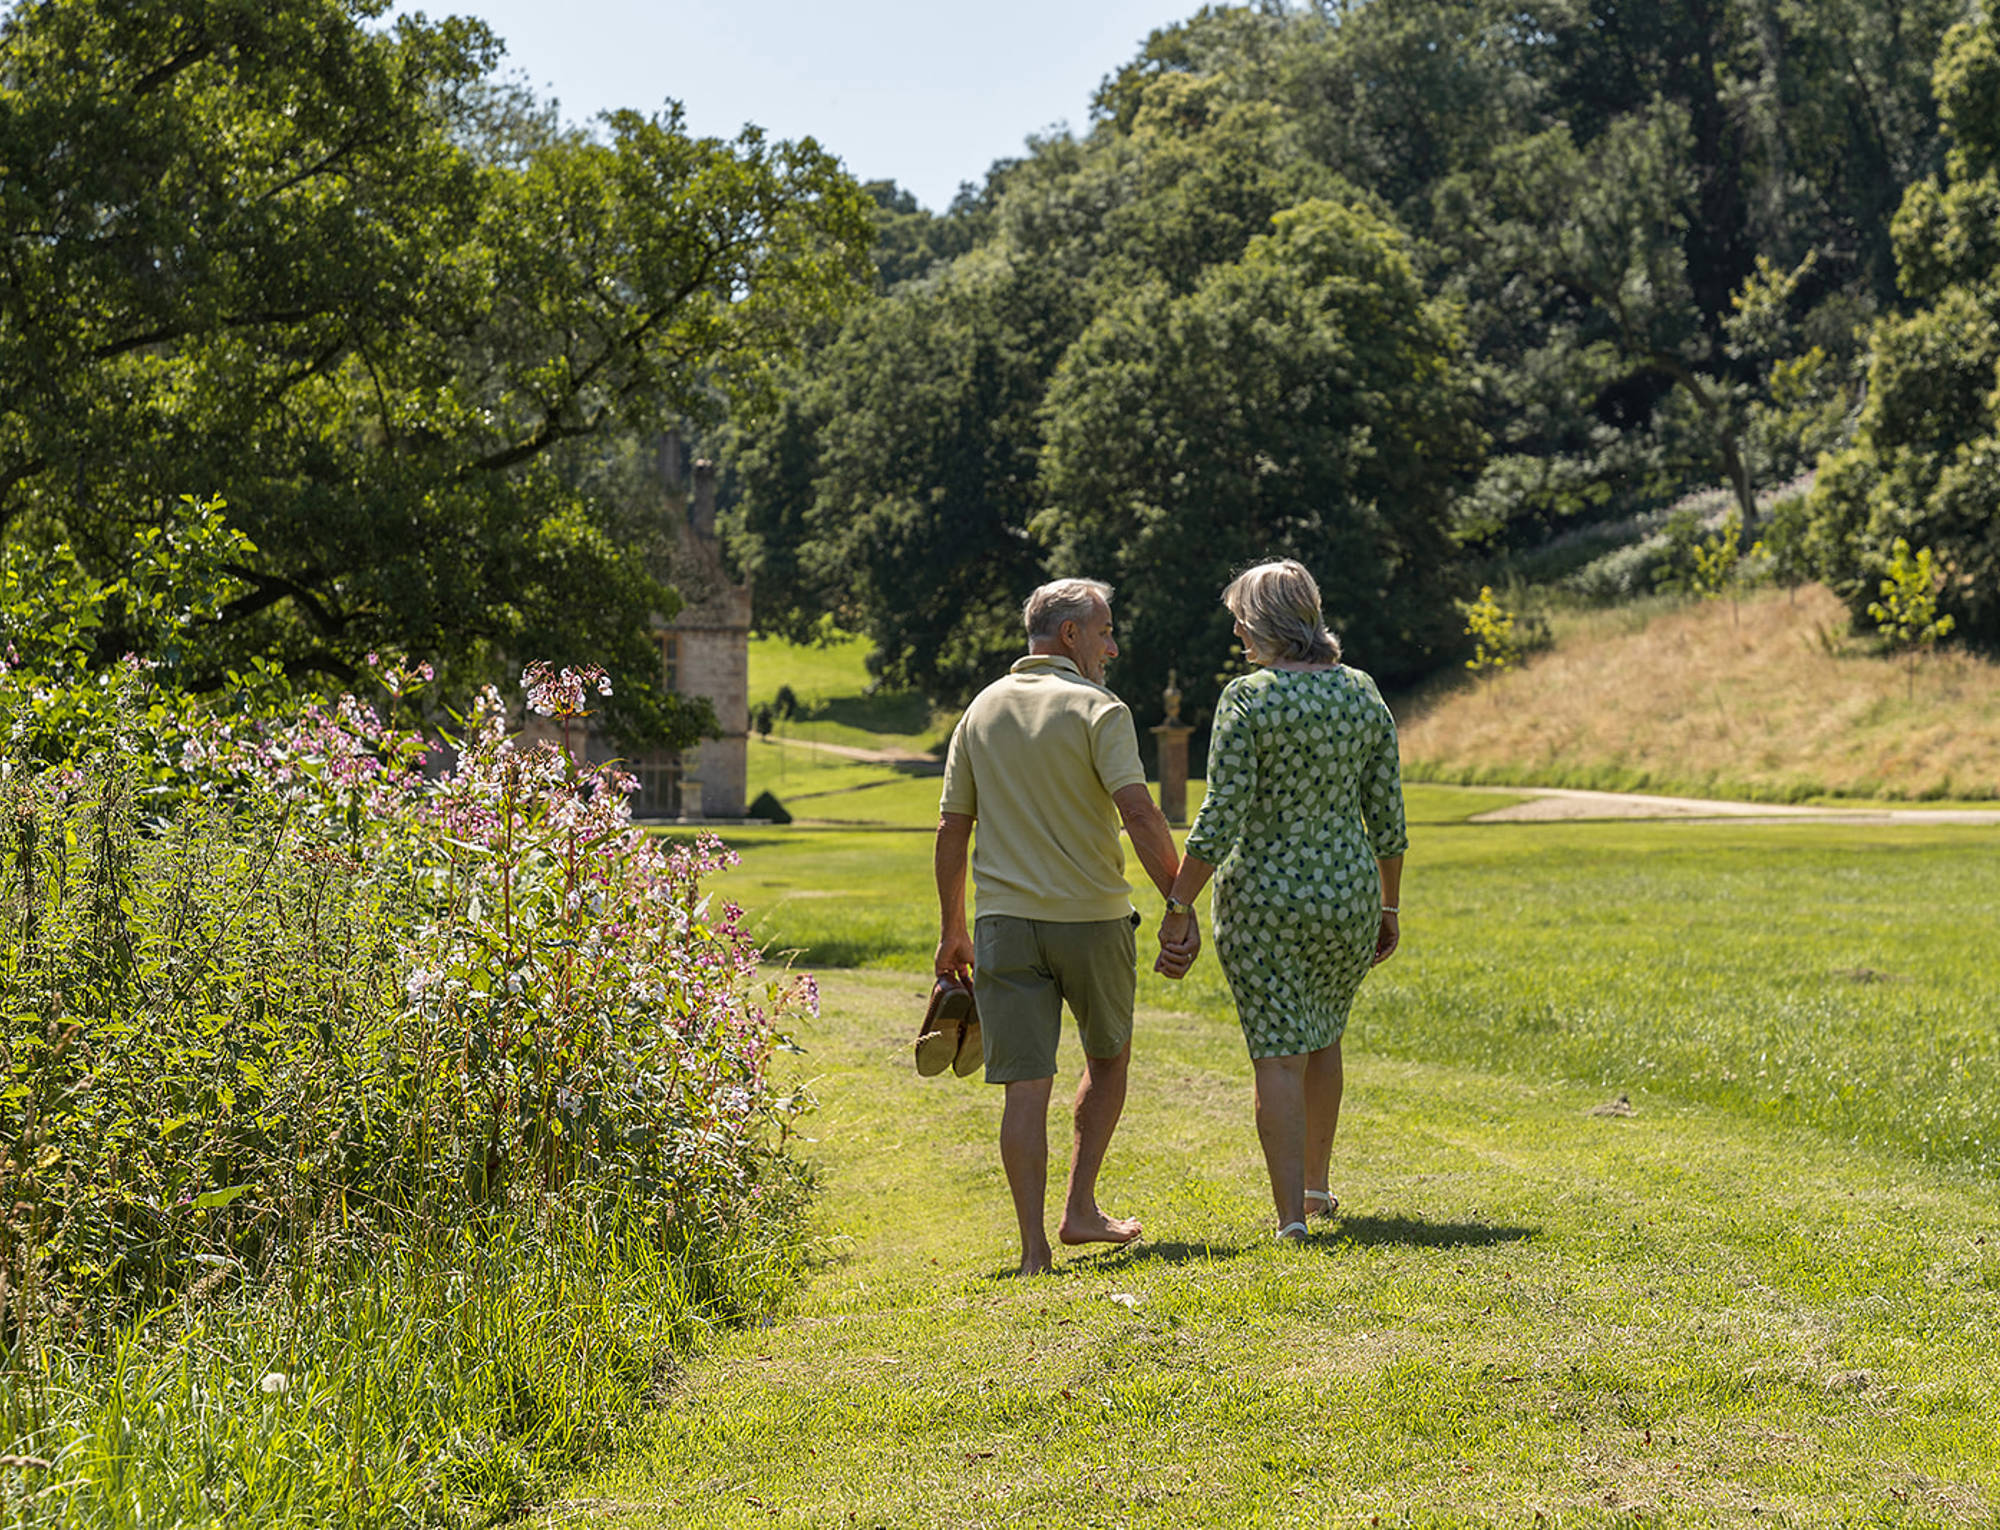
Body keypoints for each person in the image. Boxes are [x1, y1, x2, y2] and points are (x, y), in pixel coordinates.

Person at [934, 578, 1194, 1275]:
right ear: (1070, 635)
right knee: (1107, 1062)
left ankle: (1032, 1253)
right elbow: (1139, 814)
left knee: (1026, 1085)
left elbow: (952, 829)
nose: (1112, 645)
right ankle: (1079, 1209)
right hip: (1091, 919)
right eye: (1104, 630)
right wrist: (1178, 901)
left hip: (1002, 926)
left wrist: (951, 929)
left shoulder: (981, 709)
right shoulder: (1097, 707)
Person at [1154, 559, 1407, 1241]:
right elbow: (1386, 812)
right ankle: (1316, 1186)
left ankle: (1290, 1218)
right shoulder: (1361, 692)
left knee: (1278, 1051)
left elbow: (1222, 813)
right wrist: (1388, 906)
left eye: (1241, 616)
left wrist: (1179, 903)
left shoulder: (1249, 697)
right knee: (1324, 1034)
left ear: (1266, 621)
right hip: (1347, 892)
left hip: (1265, 898)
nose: (1235, 628)